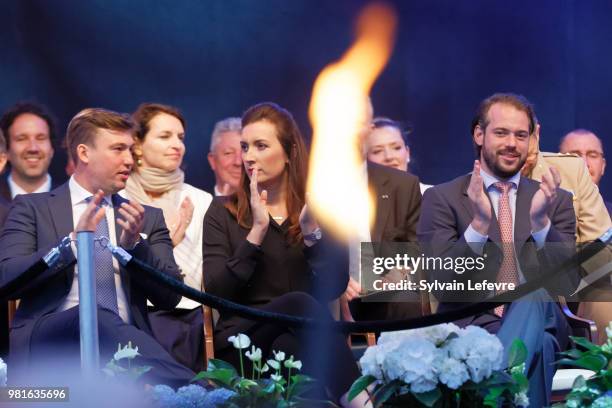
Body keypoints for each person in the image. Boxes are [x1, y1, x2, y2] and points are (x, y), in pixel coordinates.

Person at [0, 108, 196, 386]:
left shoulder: (144, 218)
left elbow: (171, 297)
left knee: (102, 322)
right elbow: (6, 277)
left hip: (126, 350)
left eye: (130, 150)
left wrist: (134, 248)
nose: (129, 160)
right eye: (118, 149)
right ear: (84, 153)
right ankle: (203, 393)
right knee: (91, 315)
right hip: (48, 347)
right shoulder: (33, 208)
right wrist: (71, 244)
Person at [202, 102, 369, 407]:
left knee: (289, 342)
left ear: (290, 152)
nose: (248, 156)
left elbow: (335, 286)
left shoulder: (321, 208)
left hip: (303, 337)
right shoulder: (221, 210)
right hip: (242, 342)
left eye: (260, 146)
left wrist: (311, 235)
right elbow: (215, 292)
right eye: (244, 147)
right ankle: (360, 402)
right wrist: (256, 233)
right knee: (298, 302)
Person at [418, 93, 577, 406]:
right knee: (541, 345)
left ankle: (495, 389)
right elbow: (440, 280)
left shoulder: (553, 198)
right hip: (471, 324)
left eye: (521, 135)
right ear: (479, 134)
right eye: (501, 133)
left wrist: (541, 223)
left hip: (543, 316)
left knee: (532, 293)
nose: (512, 144)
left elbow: (569, 282)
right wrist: (478, 224)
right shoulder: (443, 198)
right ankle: (505, 390)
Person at [124, 103, 213, 372]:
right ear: (137, 145)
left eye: (181, 138)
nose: (177, 145)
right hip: (130, 310)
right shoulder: (119, 199)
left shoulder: (200, 200)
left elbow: (205, 273)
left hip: (185, 314)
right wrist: (165, 245)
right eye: (165, 136)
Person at [0, 102, 59, 201]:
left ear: (52, 149)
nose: (33, 148)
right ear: (6, 151)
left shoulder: (73, 201)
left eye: (41, 138)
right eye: (22, 139)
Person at [365, 116, 432, 194]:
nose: (389, 156)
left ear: (407, 153)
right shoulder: (355, 202)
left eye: (396, 148)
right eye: (377, 151)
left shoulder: (432, 196)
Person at [559, 129, 610, 216]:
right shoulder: (541, 215)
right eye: (574, 155)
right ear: (558, 163)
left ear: (603, 166)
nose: (584, 163)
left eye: (593, 155)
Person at [207, 117, 242, 196]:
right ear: (212, 161)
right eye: (228, 153)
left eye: (245, 153)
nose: (238, 162)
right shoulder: (196, 205)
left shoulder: (270, 205)